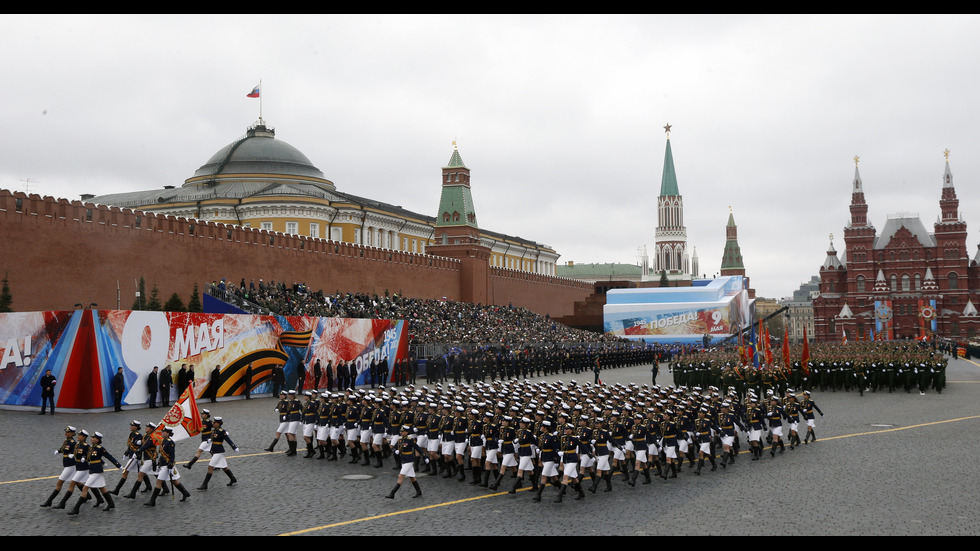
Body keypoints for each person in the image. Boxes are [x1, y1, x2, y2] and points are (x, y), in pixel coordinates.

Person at [66, 431, 121, 515]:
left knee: (85, 488)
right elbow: (88, 456)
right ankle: (111, 503)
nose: (91, 439)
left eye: (93, 438)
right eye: (91, 437)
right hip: (91, 469)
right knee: (102, 488)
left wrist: (118, 465)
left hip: (97, 470)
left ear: (98, 440)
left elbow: (109, 457)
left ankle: (76, 508)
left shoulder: (100, 448)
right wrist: (83, 458)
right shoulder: (91, 447)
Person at [142, 427, 191, 506]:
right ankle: (185, 493)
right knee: (174, 481)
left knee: (158, 481)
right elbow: (161, 455)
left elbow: (172, 455)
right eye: (162, 431)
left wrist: (170, 465)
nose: (162, 433)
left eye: (164, 432)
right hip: (163, 464)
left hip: (167, 465)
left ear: (168, 433)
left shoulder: (170, 442)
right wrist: (159, 464)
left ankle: (152, 501)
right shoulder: (163, 441)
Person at [196, 417, 239, 490]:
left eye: (215, 422)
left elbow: (228, 440)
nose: (213, 424)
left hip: (219, 451)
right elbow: (211, 438)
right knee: (224, 467)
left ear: (219, 423)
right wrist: (209, 439)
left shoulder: (221, 431)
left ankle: (205, 485)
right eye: (213, 422)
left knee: (210, 467)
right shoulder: (214, 431)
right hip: (215, 450)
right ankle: (233, 478)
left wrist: (234, 447)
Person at [40, 426, 77, 508]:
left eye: (68, 432)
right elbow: (64, 449)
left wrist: (73, 454)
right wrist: (59, 451)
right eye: (66, 432)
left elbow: (77, 451)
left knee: (59, 483)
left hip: (70, 465)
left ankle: (50, 501)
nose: (66, 433)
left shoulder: (73, 442)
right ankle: (90, 496)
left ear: (72, 433)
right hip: (67, 464)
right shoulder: (66, 441)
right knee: (77, 482)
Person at [385, 425, 422, 499]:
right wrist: (395, 451)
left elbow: (417, 448)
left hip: (409, 460)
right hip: (403, 460)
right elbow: (393, 448)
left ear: (406, 432)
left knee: (401, 476)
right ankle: (419, 491)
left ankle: (392, 493)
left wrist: (424, 456)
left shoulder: (410, 440)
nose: (401, 433)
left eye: (402, 431)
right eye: (400, 431)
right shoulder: (400, 440)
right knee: (412, 477)